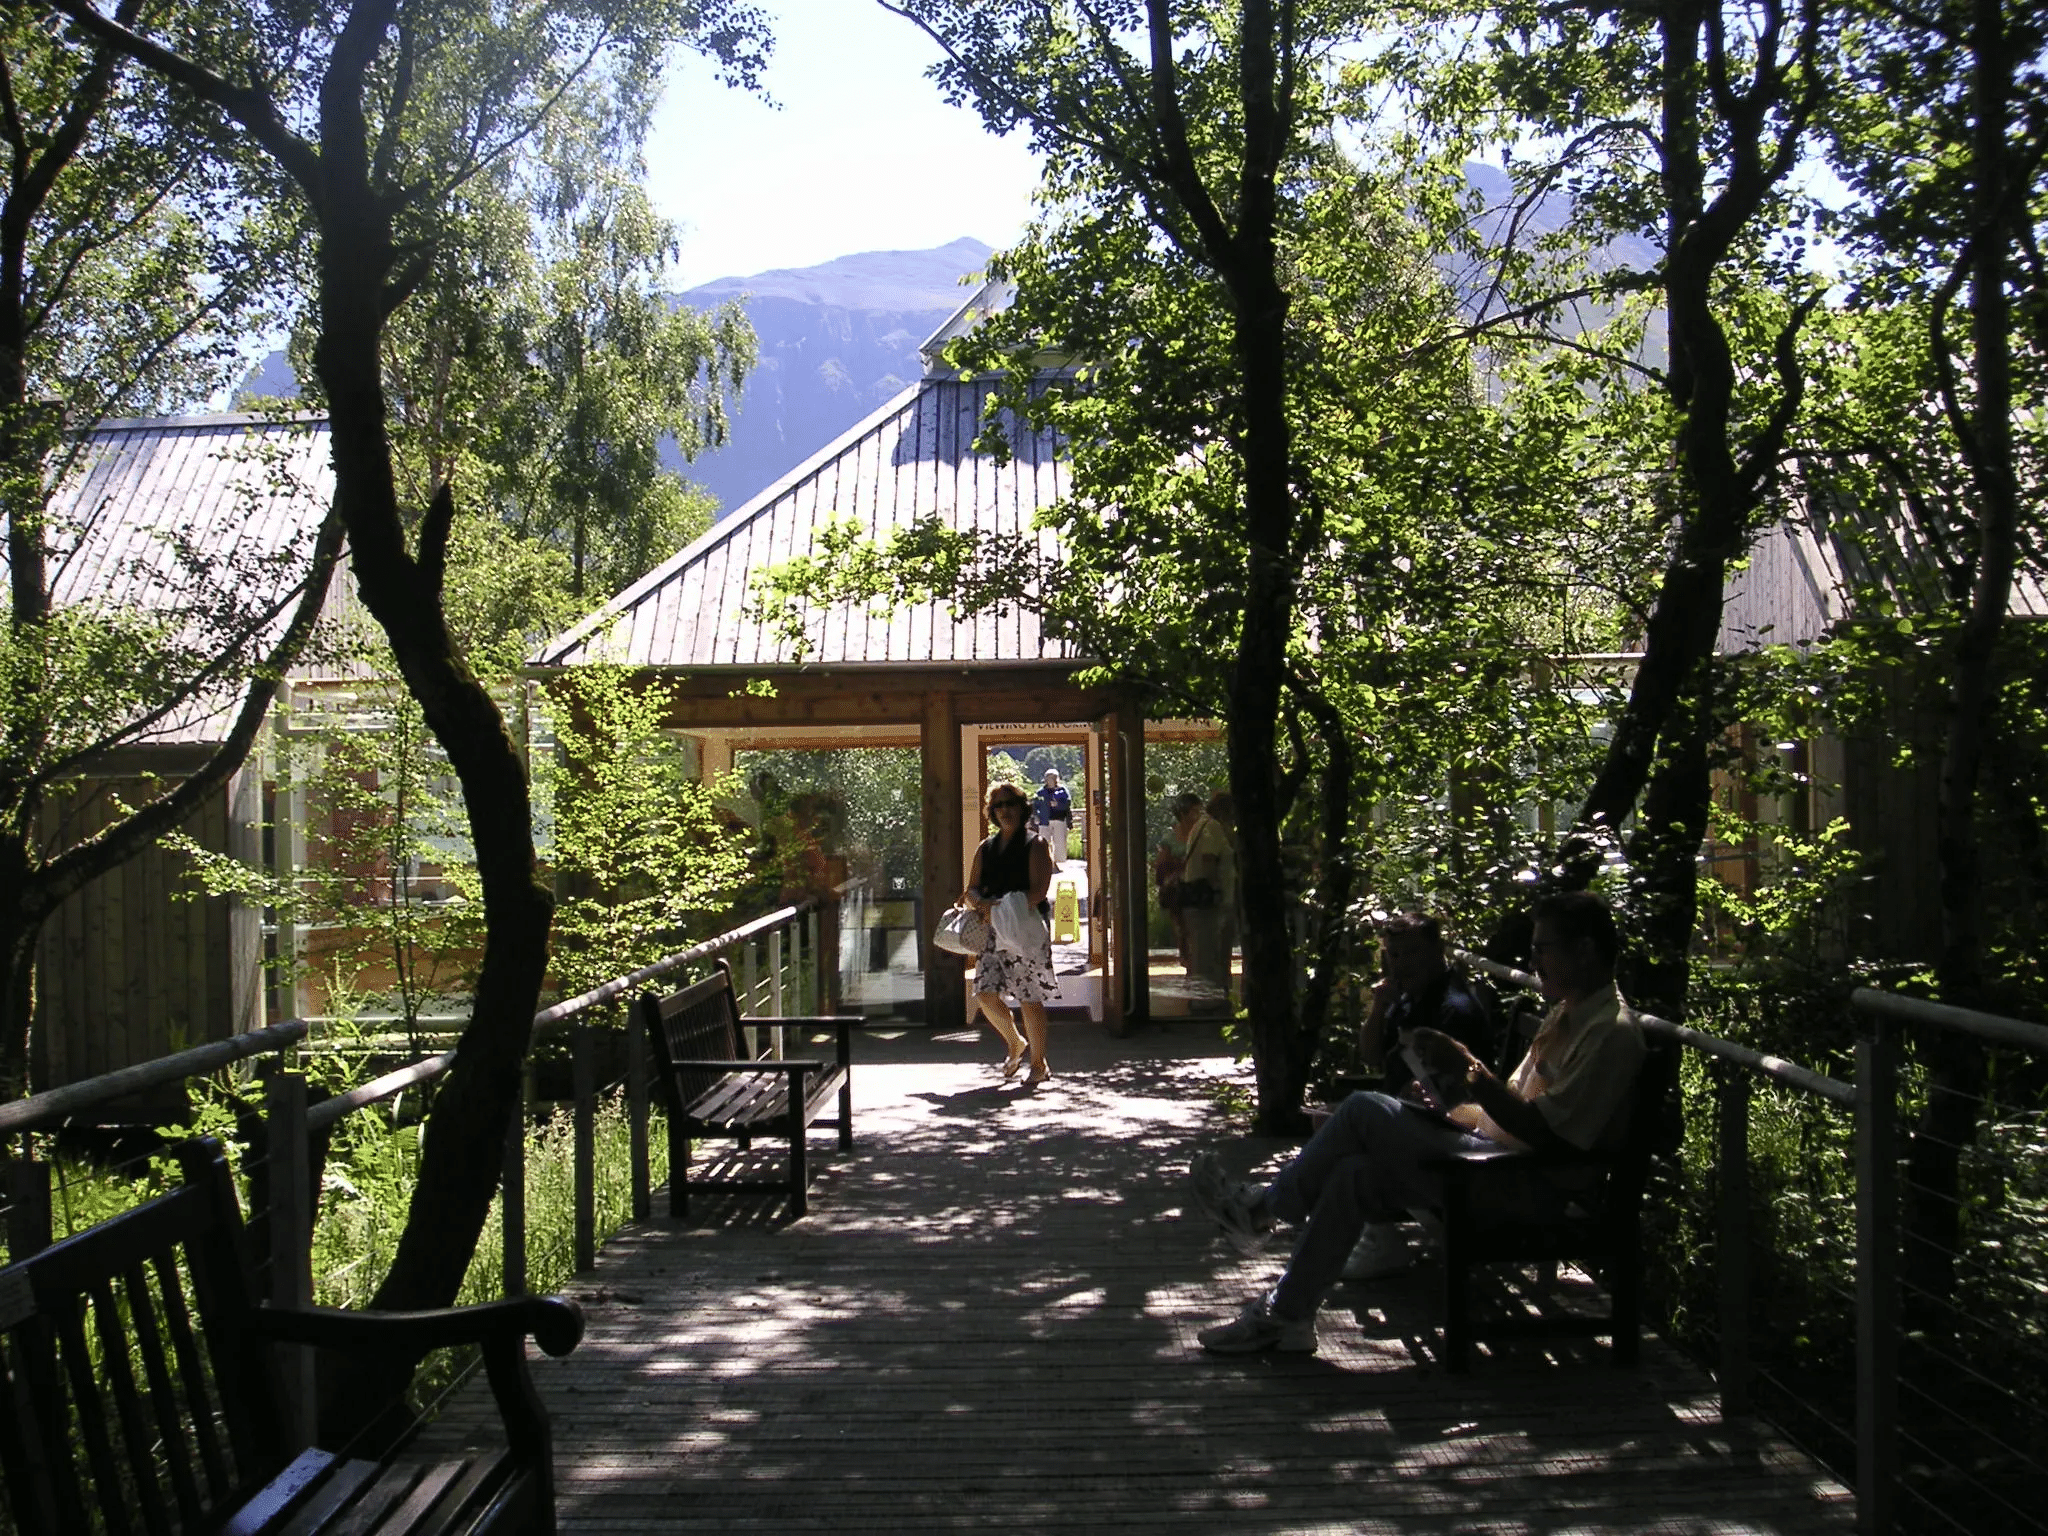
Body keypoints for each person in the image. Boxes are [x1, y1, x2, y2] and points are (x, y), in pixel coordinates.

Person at [1188, 890, 1645, 1354]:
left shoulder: (1611, 1033)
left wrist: (1468, 1070)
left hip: (1529, 1187)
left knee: (1365, 1108)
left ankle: (1260, 1211)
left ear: (1584, 949)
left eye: (1543, 948)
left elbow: (1546, 1135)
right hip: (1495, 1160)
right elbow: (1513, 1107)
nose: (1534, 961)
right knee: (1353, 1175)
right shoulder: (1567, 1014)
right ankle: (1288, 1315)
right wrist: (1449, 1106)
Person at [1340, 911, 1496, 1278]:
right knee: (1344, 1122)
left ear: (1437, 951)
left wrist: (1417, 1094)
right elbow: (1371, 1055)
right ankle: (1370, 1233)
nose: (1400, 964)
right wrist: (1379, 1006)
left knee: (1356, 1119)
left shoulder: (1451, 1008)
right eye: (1393, 955)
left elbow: (1459, 1097)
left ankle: (1272, 1210)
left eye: (1410, 954)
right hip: (1412, 1116)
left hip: (1452, 1133)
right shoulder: (1408, 997)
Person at [963, 781, 1057, 1086]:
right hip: (991, 932)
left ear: (1022, 808)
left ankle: (1038, 1063)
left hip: (1024, 932)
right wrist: (978, 902)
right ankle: (1015, 1042)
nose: (1004, 810)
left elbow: (1038, 892)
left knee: (1029, 998)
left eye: (1010, 804)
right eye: (998, 805)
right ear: (992, 812)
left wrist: (1000, 908)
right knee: (985, 995)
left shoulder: (1036, 845)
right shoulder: (985, 847)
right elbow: (971, 888)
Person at [1175, 792, 1236, 1008]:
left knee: (1203, 952)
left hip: (1200, 902)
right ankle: (1207, 1003)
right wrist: (1218, 890)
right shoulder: (1213, 827)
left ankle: (1206, 1000)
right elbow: (1209, 860)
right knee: (1208, 953)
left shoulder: (1202, 825)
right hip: (1207, 903)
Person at [1033, 768, 1072, 871]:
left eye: (1052, 777)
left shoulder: (1062, 791)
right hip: (1044, 821)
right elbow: (1035, 805)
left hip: (1059, 819)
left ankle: (1056, 863)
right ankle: (1048, 863)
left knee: (1059, 843)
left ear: (1056, 779)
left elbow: (1067, 804)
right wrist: (1036, 815)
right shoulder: (1040, 792)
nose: (1049, 780)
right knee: (1044, 843)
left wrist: (1058, 805)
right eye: (1048, 777)